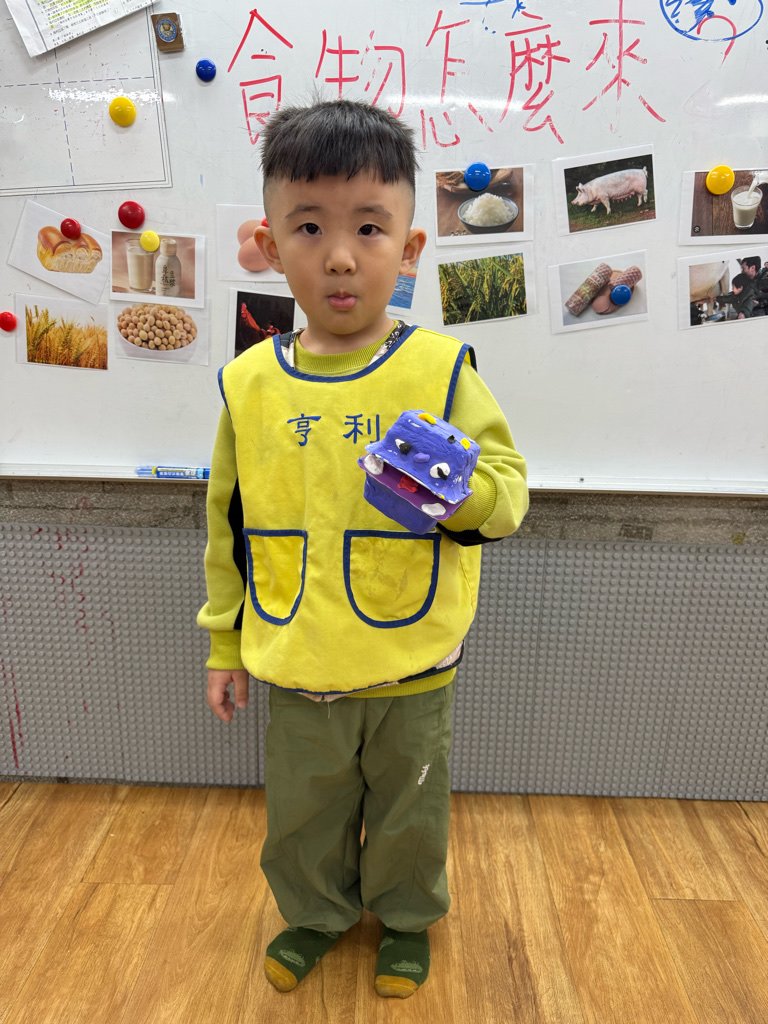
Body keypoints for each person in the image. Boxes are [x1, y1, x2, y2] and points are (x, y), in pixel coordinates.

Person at [197, 99, 528, 1000]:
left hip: (411, 661)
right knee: (303, 812)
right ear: (268, 244)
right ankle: (315, 915)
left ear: (410, 248)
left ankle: (408, 922)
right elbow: (228, 525)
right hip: (298, 657)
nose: (340, 256)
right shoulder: (248, 383)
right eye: (309, 227)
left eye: (369, 228)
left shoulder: (441, 370)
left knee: (410, 811)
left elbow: (508, 496)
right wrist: (225, 644)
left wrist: (458, 493)